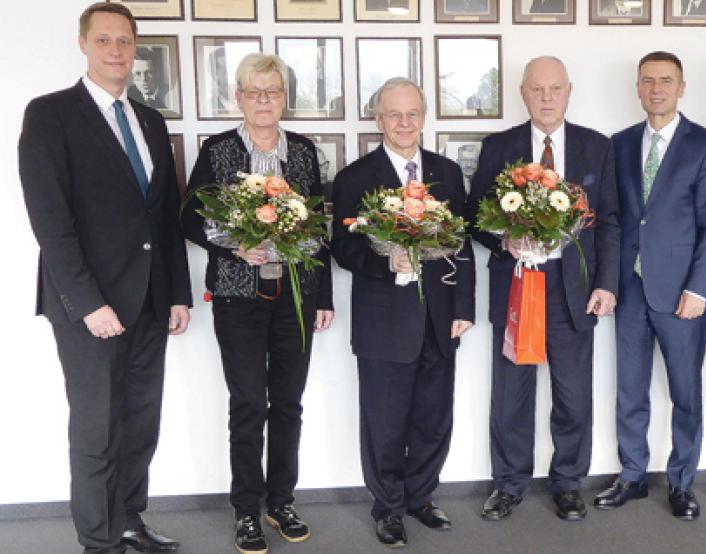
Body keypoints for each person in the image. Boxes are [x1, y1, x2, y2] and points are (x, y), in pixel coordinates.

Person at [18, 3, 191, 553]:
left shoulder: (149, 121)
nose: (116, 49)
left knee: (141, 423)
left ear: (134, 47)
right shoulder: (51, 114)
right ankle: (98, 540)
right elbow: (50, 219)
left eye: (124, 40)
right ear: (83, 44)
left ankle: (128, 520)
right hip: (89, 306)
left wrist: (179, 294)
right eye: (104, 40)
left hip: (149, 302)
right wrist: (88, 302)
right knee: (97, 429)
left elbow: (164, 218)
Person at [181, 53, 334, 554]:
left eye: (272, 91)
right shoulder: (219, 150)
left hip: (295, 295)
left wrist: (323, 295)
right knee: (248, 403)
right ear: (238, 98)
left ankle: (281, 501)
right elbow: (187, 219)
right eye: (254, 91)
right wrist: (232, 247)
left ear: (284, 98)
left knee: (288, 402)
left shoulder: (306, 153)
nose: (263, 101)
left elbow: (319, 227)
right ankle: (247, 508)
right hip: (238, 297)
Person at [467, 56, 620, 523]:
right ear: (523, 92)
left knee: (573, 395)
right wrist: (504, 238)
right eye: (537, 89)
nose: (547, 97)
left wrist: (607, 285)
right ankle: (509, 484)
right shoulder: (499, 147)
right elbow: (475, 216)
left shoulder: (597, 147)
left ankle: (568, 484)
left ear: (569, 92)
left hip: (573, 289)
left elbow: (610, 221)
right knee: (511, 394)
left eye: (555, 89)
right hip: (517, 285)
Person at [331, 77, 476, 548]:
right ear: (378, 120)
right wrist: (382, 260)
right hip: (384, 321)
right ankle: (388, 506)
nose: (404, 122)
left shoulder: (447, 173)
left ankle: (420, 497)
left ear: (424, 116)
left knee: (434, 417)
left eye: (412, 113)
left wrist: (464, 307)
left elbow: (464, 245)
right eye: (394, 115)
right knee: (385, 421)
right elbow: (342, 248)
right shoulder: (355, 177)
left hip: (440, 318)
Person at [593, 51, 706, 521]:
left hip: (680, 294)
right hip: (629, 290)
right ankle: (631, 476)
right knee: (629, 390)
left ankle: (682, 482)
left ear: (681, 87)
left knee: (685, 391)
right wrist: (607, 282)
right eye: (647, 80)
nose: (656, 89)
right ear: (637, 87)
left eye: (665, 80)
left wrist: (700, 289)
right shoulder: (621, 143)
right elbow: (611, 220)